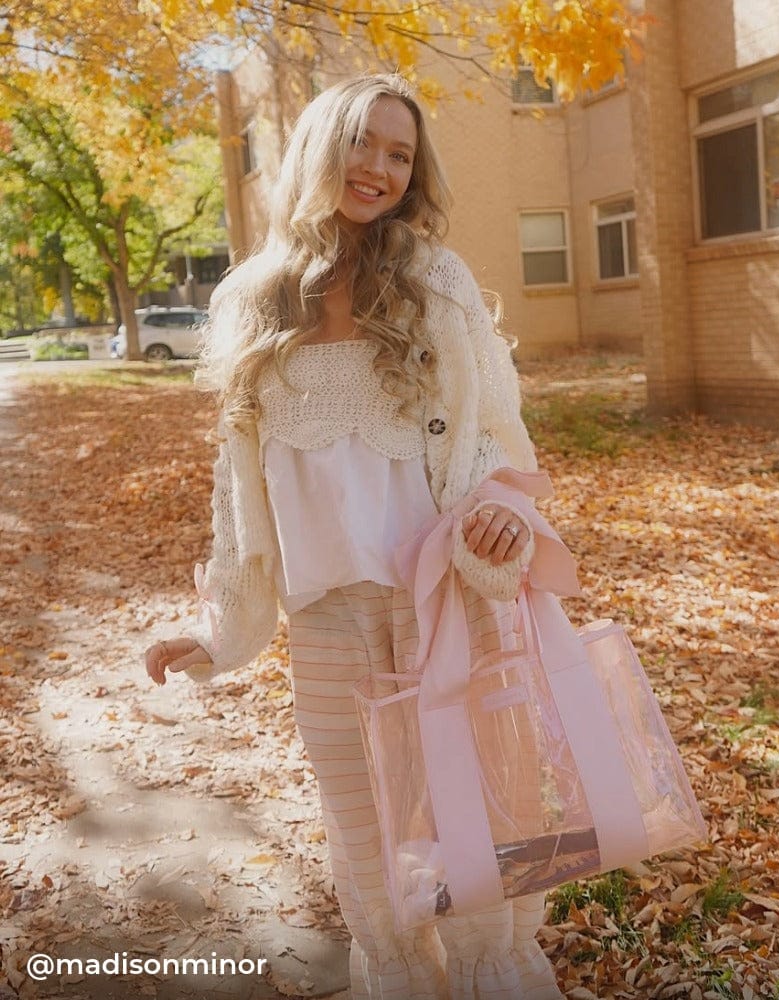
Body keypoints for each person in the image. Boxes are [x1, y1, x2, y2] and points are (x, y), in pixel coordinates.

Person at [145, 74, 563, 1000]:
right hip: (328, 627)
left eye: (399, 153)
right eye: (361, 142)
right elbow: (241, 486)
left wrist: (503, 519)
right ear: (317, 148)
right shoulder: (250, 300)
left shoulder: (436, 283)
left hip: (444, 610)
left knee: (476, 831)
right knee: (369, 845)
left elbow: (495, 436)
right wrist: (219, 632)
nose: (378, 167)